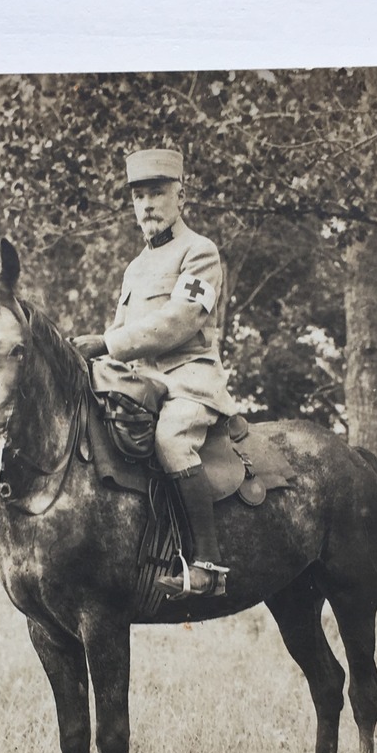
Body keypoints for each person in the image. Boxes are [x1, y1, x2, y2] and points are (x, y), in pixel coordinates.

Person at [72, 148, 238, 598]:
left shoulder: (200, 252)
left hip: (189, 379)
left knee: (171, 439)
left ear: (180, 197)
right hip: (142, 386)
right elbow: (125, 333)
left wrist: (106, 342)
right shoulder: (135, 267)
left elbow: (181, 320)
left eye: (157, 194)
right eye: (138, 196)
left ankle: (207, 565)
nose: (146, 206)